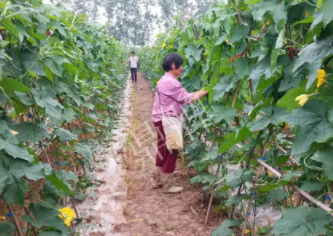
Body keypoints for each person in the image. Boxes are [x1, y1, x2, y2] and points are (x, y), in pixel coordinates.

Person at [151, 53, 208, 194]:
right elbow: (189, 99)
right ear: (174, 65)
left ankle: (157, 180)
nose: (182, 68)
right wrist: (207, 90)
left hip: (160, 119)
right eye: (181, 65)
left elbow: (184, 95)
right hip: (169, 121)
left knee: (163, 149)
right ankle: (167, 185)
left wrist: (201, 91)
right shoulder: (171, 82)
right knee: (172, 150)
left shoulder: (163, 80)